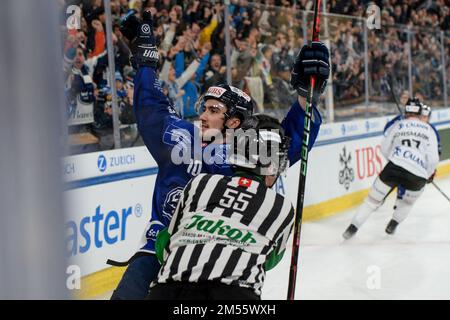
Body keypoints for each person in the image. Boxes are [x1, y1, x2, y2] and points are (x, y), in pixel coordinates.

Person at [110, 10, 328, 299]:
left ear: (235, 122)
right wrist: (146, 61)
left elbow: (292, 137)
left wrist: (305, 97)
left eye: (213, 110)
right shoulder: (182, 137)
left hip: (215, 266)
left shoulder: (250, 155)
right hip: (156, 250)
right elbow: (151, 106)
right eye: (204, 107)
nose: (202, 115)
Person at [146, 115, 294, 300]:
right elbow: (270, 261)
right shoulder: (282, 207)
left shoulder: (199, 183)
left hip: (168, 291)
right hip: (235, 295)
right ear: (270, 163)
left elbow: (164, 247)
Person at [342, 98, 440, 239]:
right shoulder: (429, 130)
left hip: (394, 167)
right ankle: (393, 224)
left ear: (406, 111)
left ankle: (351, 230)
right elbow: (433, 159)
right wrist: (428, 174)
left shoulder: (398, 125)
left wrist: (396, 158)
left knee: (371, 201)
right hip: (417, 175)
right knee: (407, 202)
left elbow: (384, 148)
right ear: (420, 112)